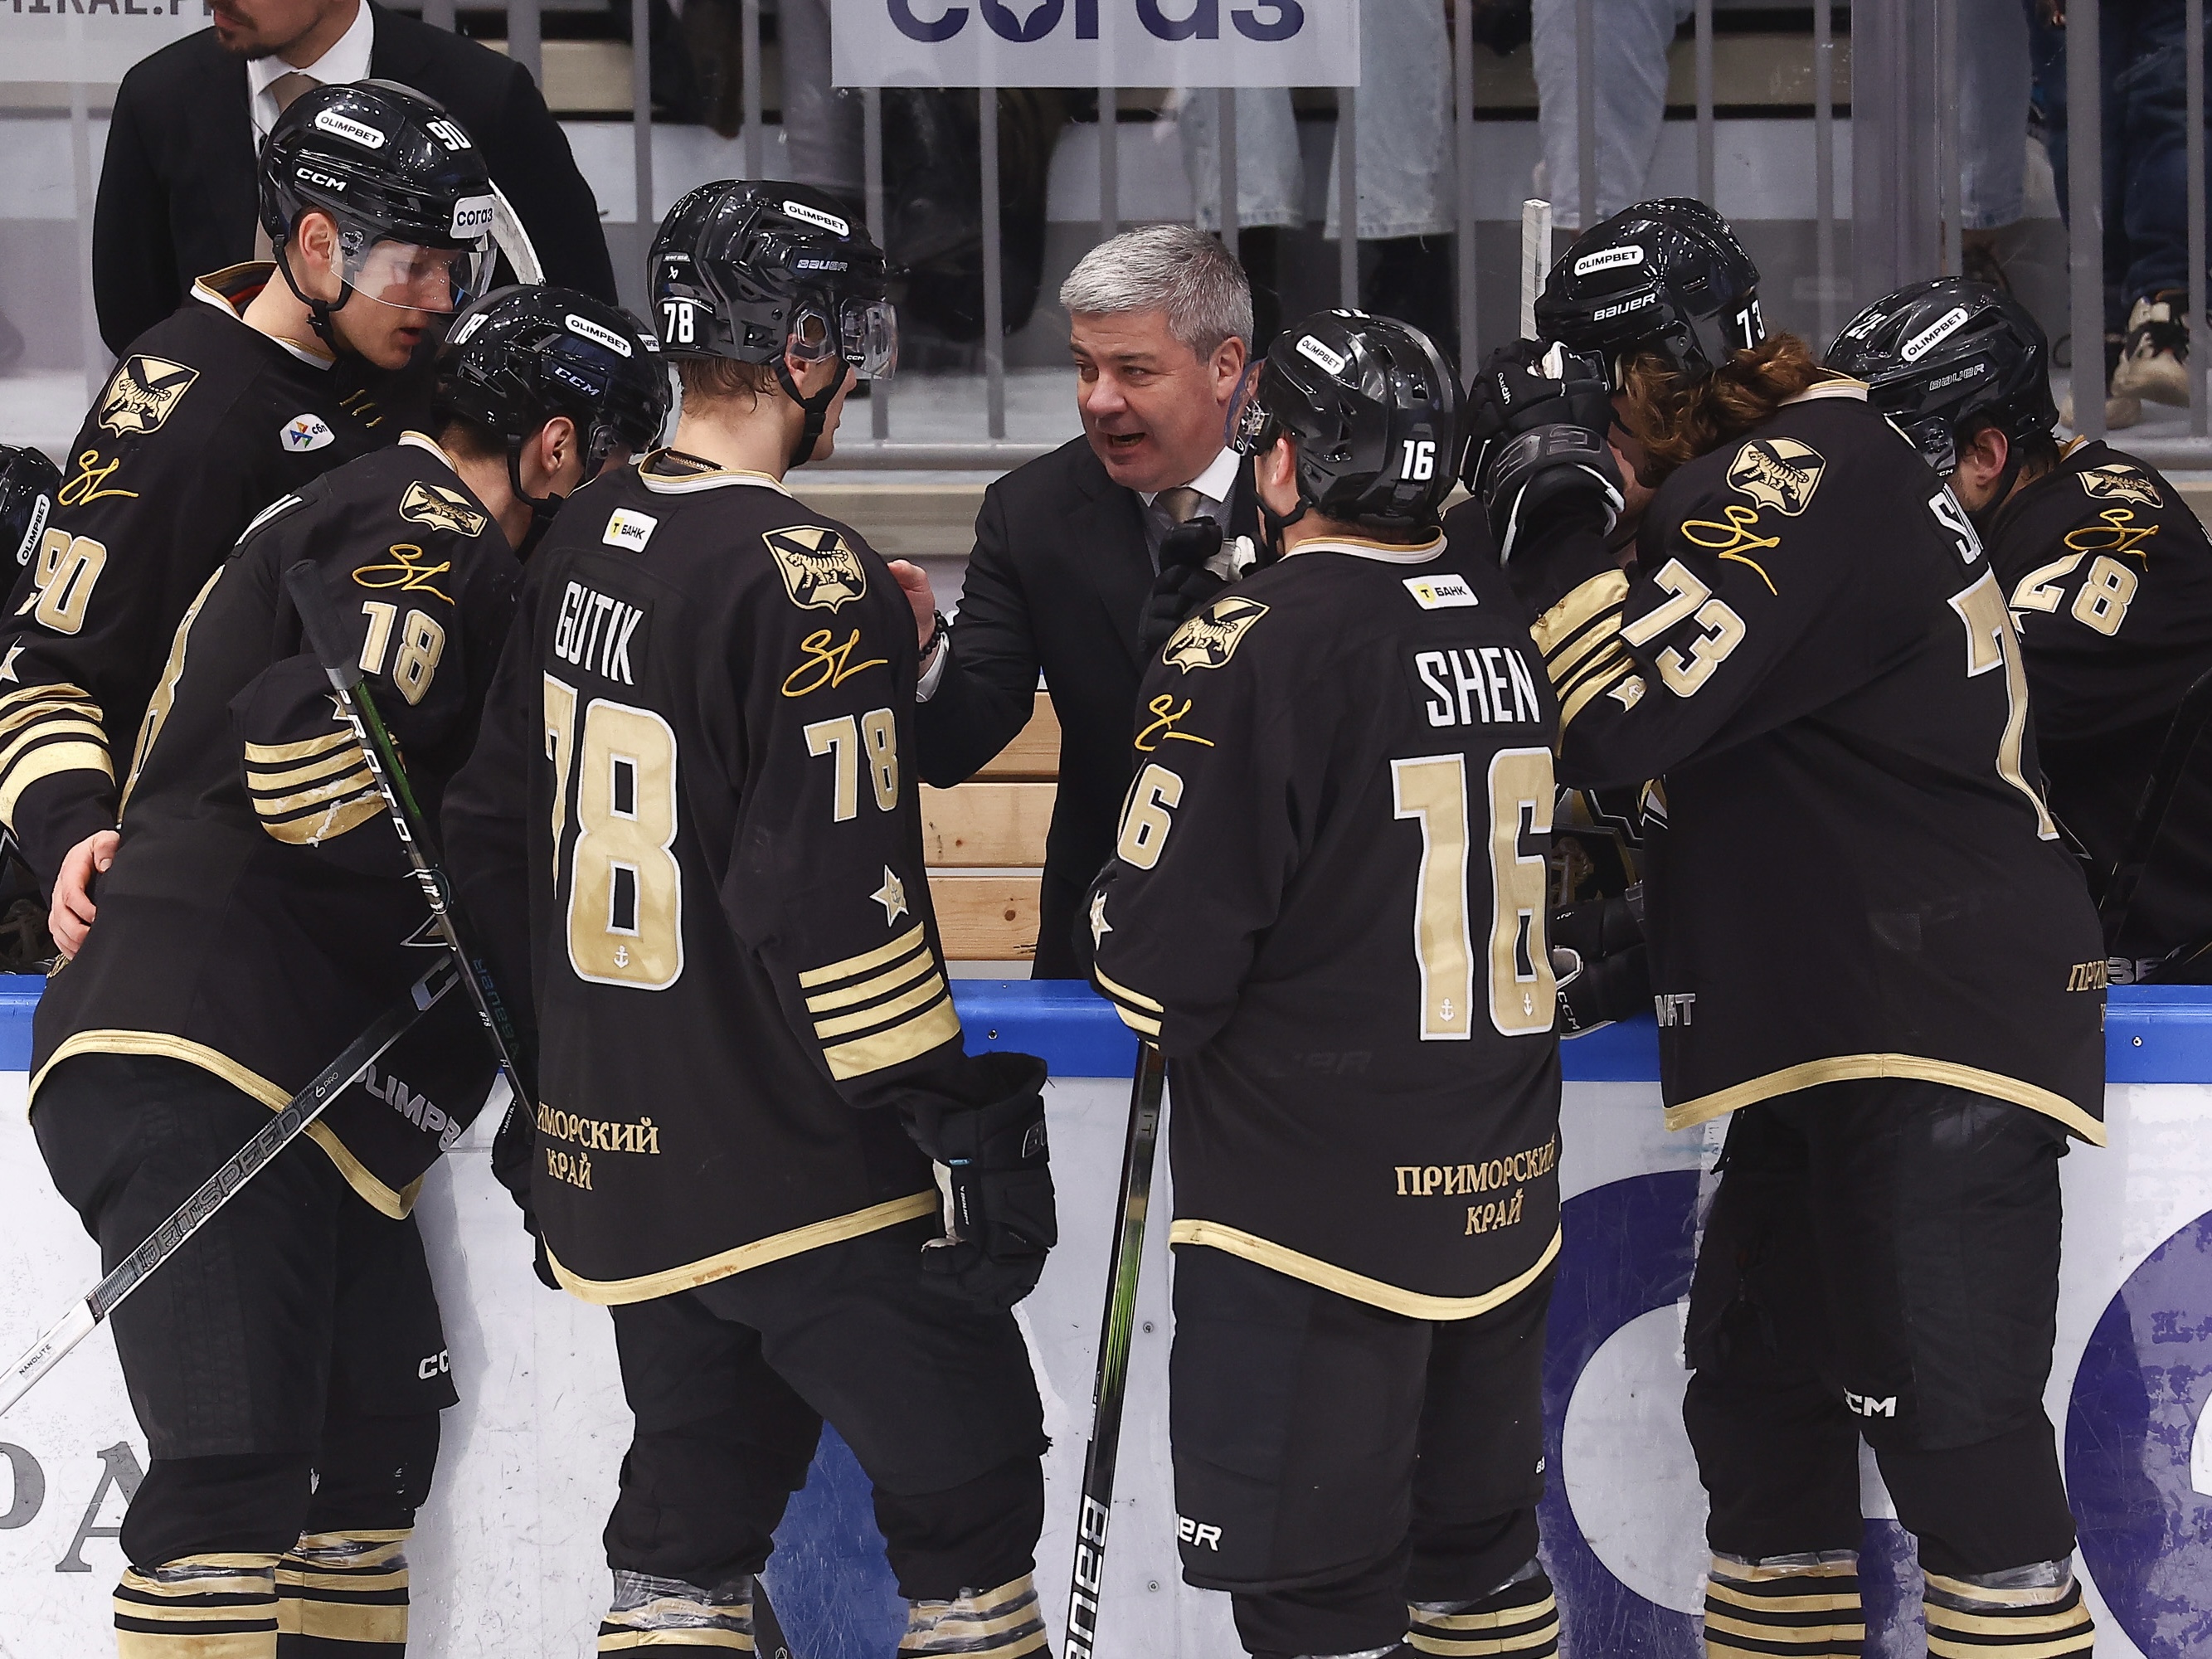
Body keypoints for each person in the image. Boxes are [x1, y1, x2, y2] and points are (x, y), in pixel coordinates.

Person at [1458, 198, 2103, 1657]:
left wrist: (1552, 510)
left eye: (1587, 386)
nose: (1584, 420)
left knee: (1960, 1453)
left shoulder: (1799, 468)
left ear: (1644, 376)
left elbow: (1615, 718)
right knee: (1758, 1427)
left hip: (1930, 1025)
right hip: (1835, 1022)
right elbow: (1760, 779)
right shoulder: (1778, 479)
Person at [442, 180, 1058, 1658]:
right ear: (797, 350)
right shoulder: (805, 574)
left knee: (684, 1538)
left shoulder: (584, 529)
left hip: (628, 1173)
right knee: (971, 1505)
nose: (858, 371)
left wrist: (554, 1088)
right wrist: (943, 1113)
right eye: (848, 338)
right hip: (803, 1166)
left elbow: (488, 834)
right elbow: (832, 904)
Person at [26, 281, 664, 1659]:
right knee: (230, 1485)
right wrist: (428, 825)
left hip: (309, 1091)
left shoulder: (412, 523)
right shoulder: (427, 525)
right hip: (207, 1058)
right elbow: (314, 744)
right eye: (621, 461)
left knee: (366, 1469)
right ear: (555, 449)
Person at [1086, 309, 1563, 1659]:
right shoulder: (1499, 622)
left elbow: (1156, 971)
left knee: (1316, 1606)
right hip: (1496, 1202)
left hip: (1311, 1227)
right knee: (1477, 1574)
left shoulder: (1253, 640)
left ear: (1286, 463)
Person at [7, 80, 498, 951]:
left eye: (453, 267)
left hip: (368, 866)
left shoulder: (406, 359)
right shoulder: (184, 417)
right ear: (318, 244)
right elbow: (46, 670)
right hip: (215, 891)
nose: (442, 299)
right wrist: (73, 830)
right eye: (415, 267)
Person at [889, 224, 1259, 976]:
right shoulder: (1030, 512)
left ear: (1225, 367)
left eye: (1134, 371)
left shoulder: (1316, 493)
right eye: (1084, 368)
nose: (1100, 400)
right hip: (1105, 931)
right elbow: (959, 744)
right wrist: (924, 651)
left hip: (1294, 933)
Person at [1830, 275, 2212, 982]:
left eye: (1892, 459)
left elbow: (1961, 713)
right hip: (2058, 944)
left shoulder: (2116, 529)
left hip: (2174, 971)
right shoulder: (1985, 523)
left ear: (1984, 456)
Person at [93, 0, 615, 358]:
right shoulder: (159, 97)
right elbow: (132, 316)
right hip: (231, 459)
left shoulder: (485, 98)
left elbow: (578, 309)